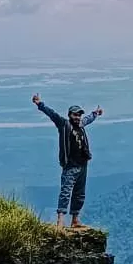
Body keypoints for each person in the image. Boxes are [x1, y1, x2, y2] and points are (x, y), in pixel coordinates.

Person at [32, 93, 104, 228]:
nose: (77, 117)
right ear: (70, 115)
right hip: (70, 166)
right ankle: (60, 221)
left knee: (79, 193)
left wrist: (96, 113)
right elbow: (52, 114)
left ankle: (75, 219)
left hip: (83, 164)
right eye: (75, 115)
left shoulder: (81, 125)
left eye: (79, 115)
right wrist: (39, 104)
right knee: (66, 191)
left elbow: (88, 119)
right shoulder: (64, 125)